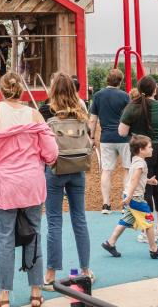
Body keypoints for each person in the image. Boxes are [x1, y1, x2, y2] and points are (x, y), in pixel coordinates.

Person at [0, 71, 58, 307]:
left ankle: (4, 296)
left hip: (4, 183)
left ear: (1, 90)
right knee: (34, 235)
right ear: (21, 90)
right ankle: (36, 293)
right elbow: (51, 152)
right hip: (31, 182)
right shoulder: (34, 114)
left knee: (5, 239)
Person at [43, 72, 93, 288]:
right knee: (79, 218)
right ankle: (85, 269)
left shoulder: (47, 113)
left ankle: (51, 273)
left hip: (55, 169)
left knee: (54, 221)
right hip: (78, 167)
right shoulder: (81, 114)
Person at [119, 74, 158, 240]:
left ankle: (146, 231)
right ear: (155, 90)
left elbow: (122, 132)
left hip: (142, 151)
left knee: (145, 192)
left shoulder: (131, 107)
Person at [101, 134, 158, 259]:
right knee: (148, 221)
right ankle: (154, 249)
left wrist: (148, 181)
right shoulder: (141, 164)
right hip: (136, 198)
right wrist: (130, 197)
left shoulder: (135, 160)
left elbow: (137, 179)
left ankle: (110, 243)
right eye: (150, 147)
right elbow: (134, 180)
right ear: (141, 150)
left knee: (126, 220)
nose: (152, 149)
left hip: (130, 194)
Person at [88, 69, 130, 213]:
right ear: (120, 81)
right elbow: (129, 117)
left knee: (106, 170)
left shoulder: (98, 96)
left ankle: (106, 204)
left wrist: (92, 137)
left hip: (106, 137)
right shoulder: (125, 96)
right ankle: (126, 204)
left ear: (107, 80)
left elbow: (93, 119)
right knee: (127, 169)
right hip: (124, 137)